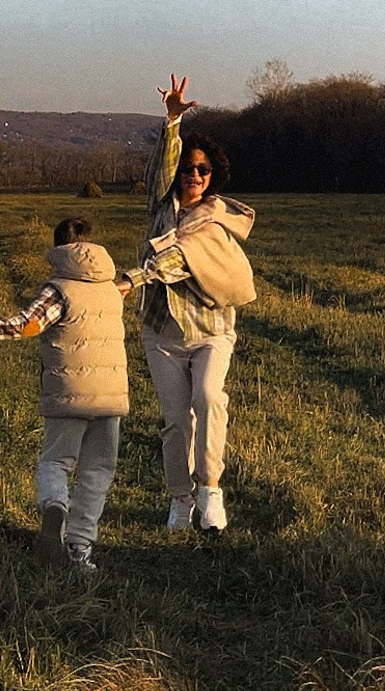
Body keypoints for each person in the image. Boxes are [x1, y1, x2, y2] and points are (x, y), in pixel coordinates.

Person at [0, 216, 127, 571]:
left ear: (58, 250)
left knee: (56, 462)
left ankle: (55, 505)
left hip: (67, 392)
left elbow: (25, 325)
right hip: (111, 395)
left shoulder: (58, 289)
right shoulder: (111, 288)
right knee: (97, 471)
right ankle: (80, 550)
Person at [119, 75, 256, 534]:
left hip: (212, 328)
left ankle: (211, 490)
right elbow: (160, 171)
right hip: (162, 332)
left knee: (209, 398)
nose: (193, 176)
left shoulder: (215, 216)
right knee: (175, 422)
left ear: (213, 175)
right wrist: (173, 121)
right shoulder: (160, 206)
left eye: (202, 170)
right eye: (187, 169)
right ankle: (180, 500)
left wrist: (133, 278)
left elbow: (176, 259)